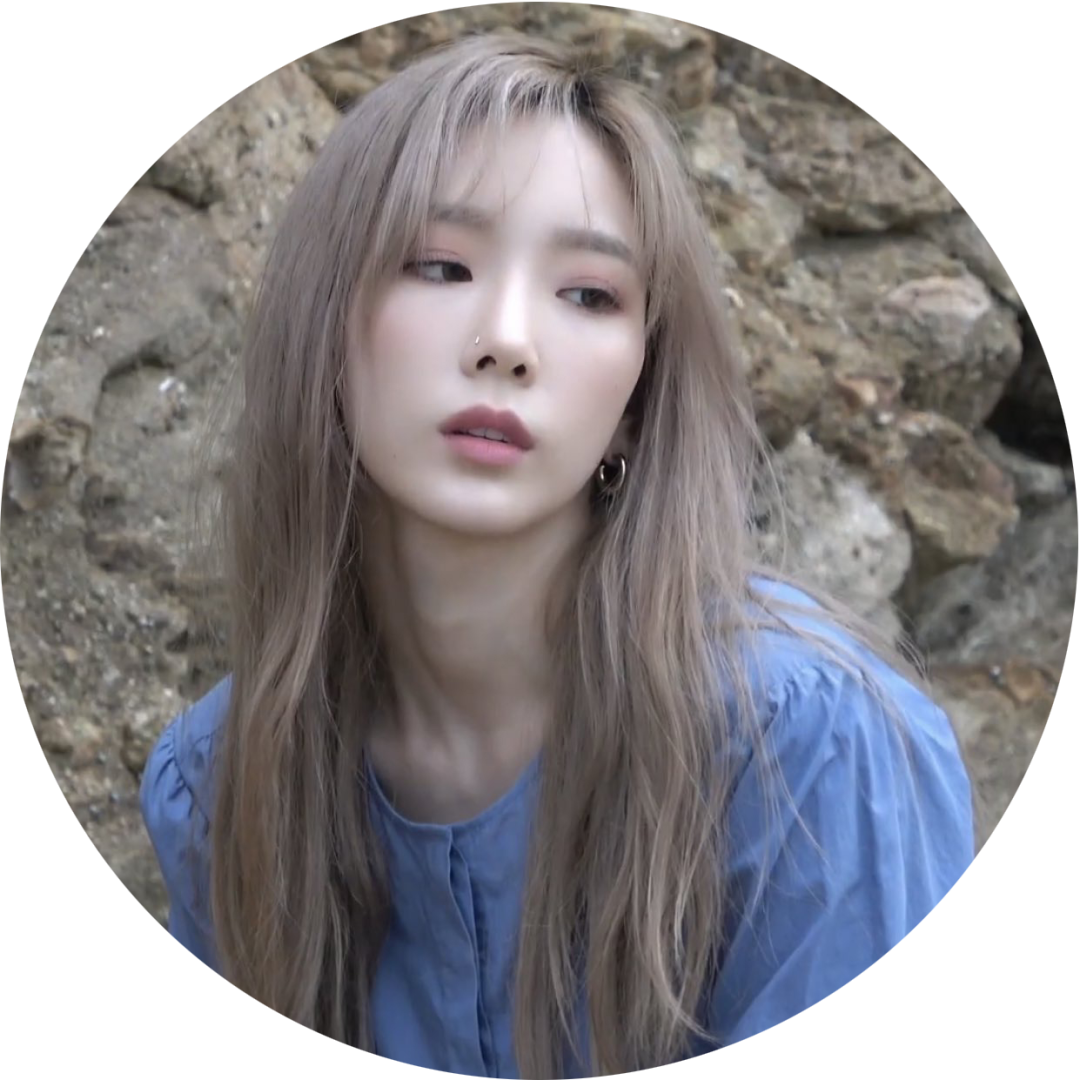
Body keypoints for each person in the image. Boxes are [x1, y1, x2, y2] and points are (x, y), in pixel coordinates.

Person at [140, 31, 977, 1077]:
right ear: (323, 331)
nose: (507, 340)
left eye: (589, 294)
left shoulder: (813, 751)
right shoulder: (221, 785)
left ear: (636, 399)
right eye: (440, 265)